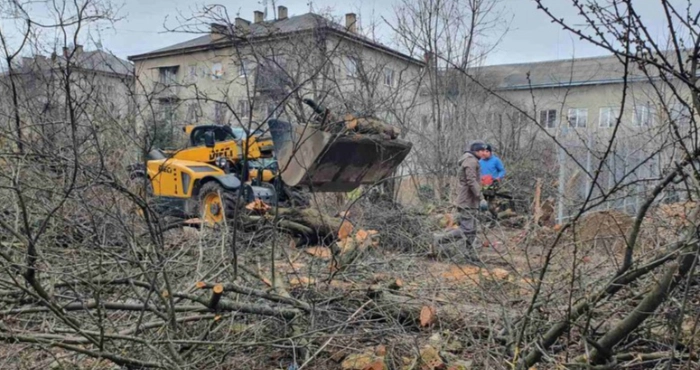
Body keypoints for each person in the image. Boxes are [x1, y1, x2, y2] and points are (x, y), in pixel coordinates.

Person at [433, 141, 489, 264]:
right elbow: (471, 181)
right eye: (482, 151)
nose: (485, 153)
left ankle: (471, 256)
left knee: (472, 230)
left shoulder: (472, 160)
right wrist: (481, 197)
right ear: (477, 151)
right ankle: (439, 239)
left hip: (470, 201)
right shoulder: (470, 161)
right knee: (467, 229)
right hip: (467, 201)